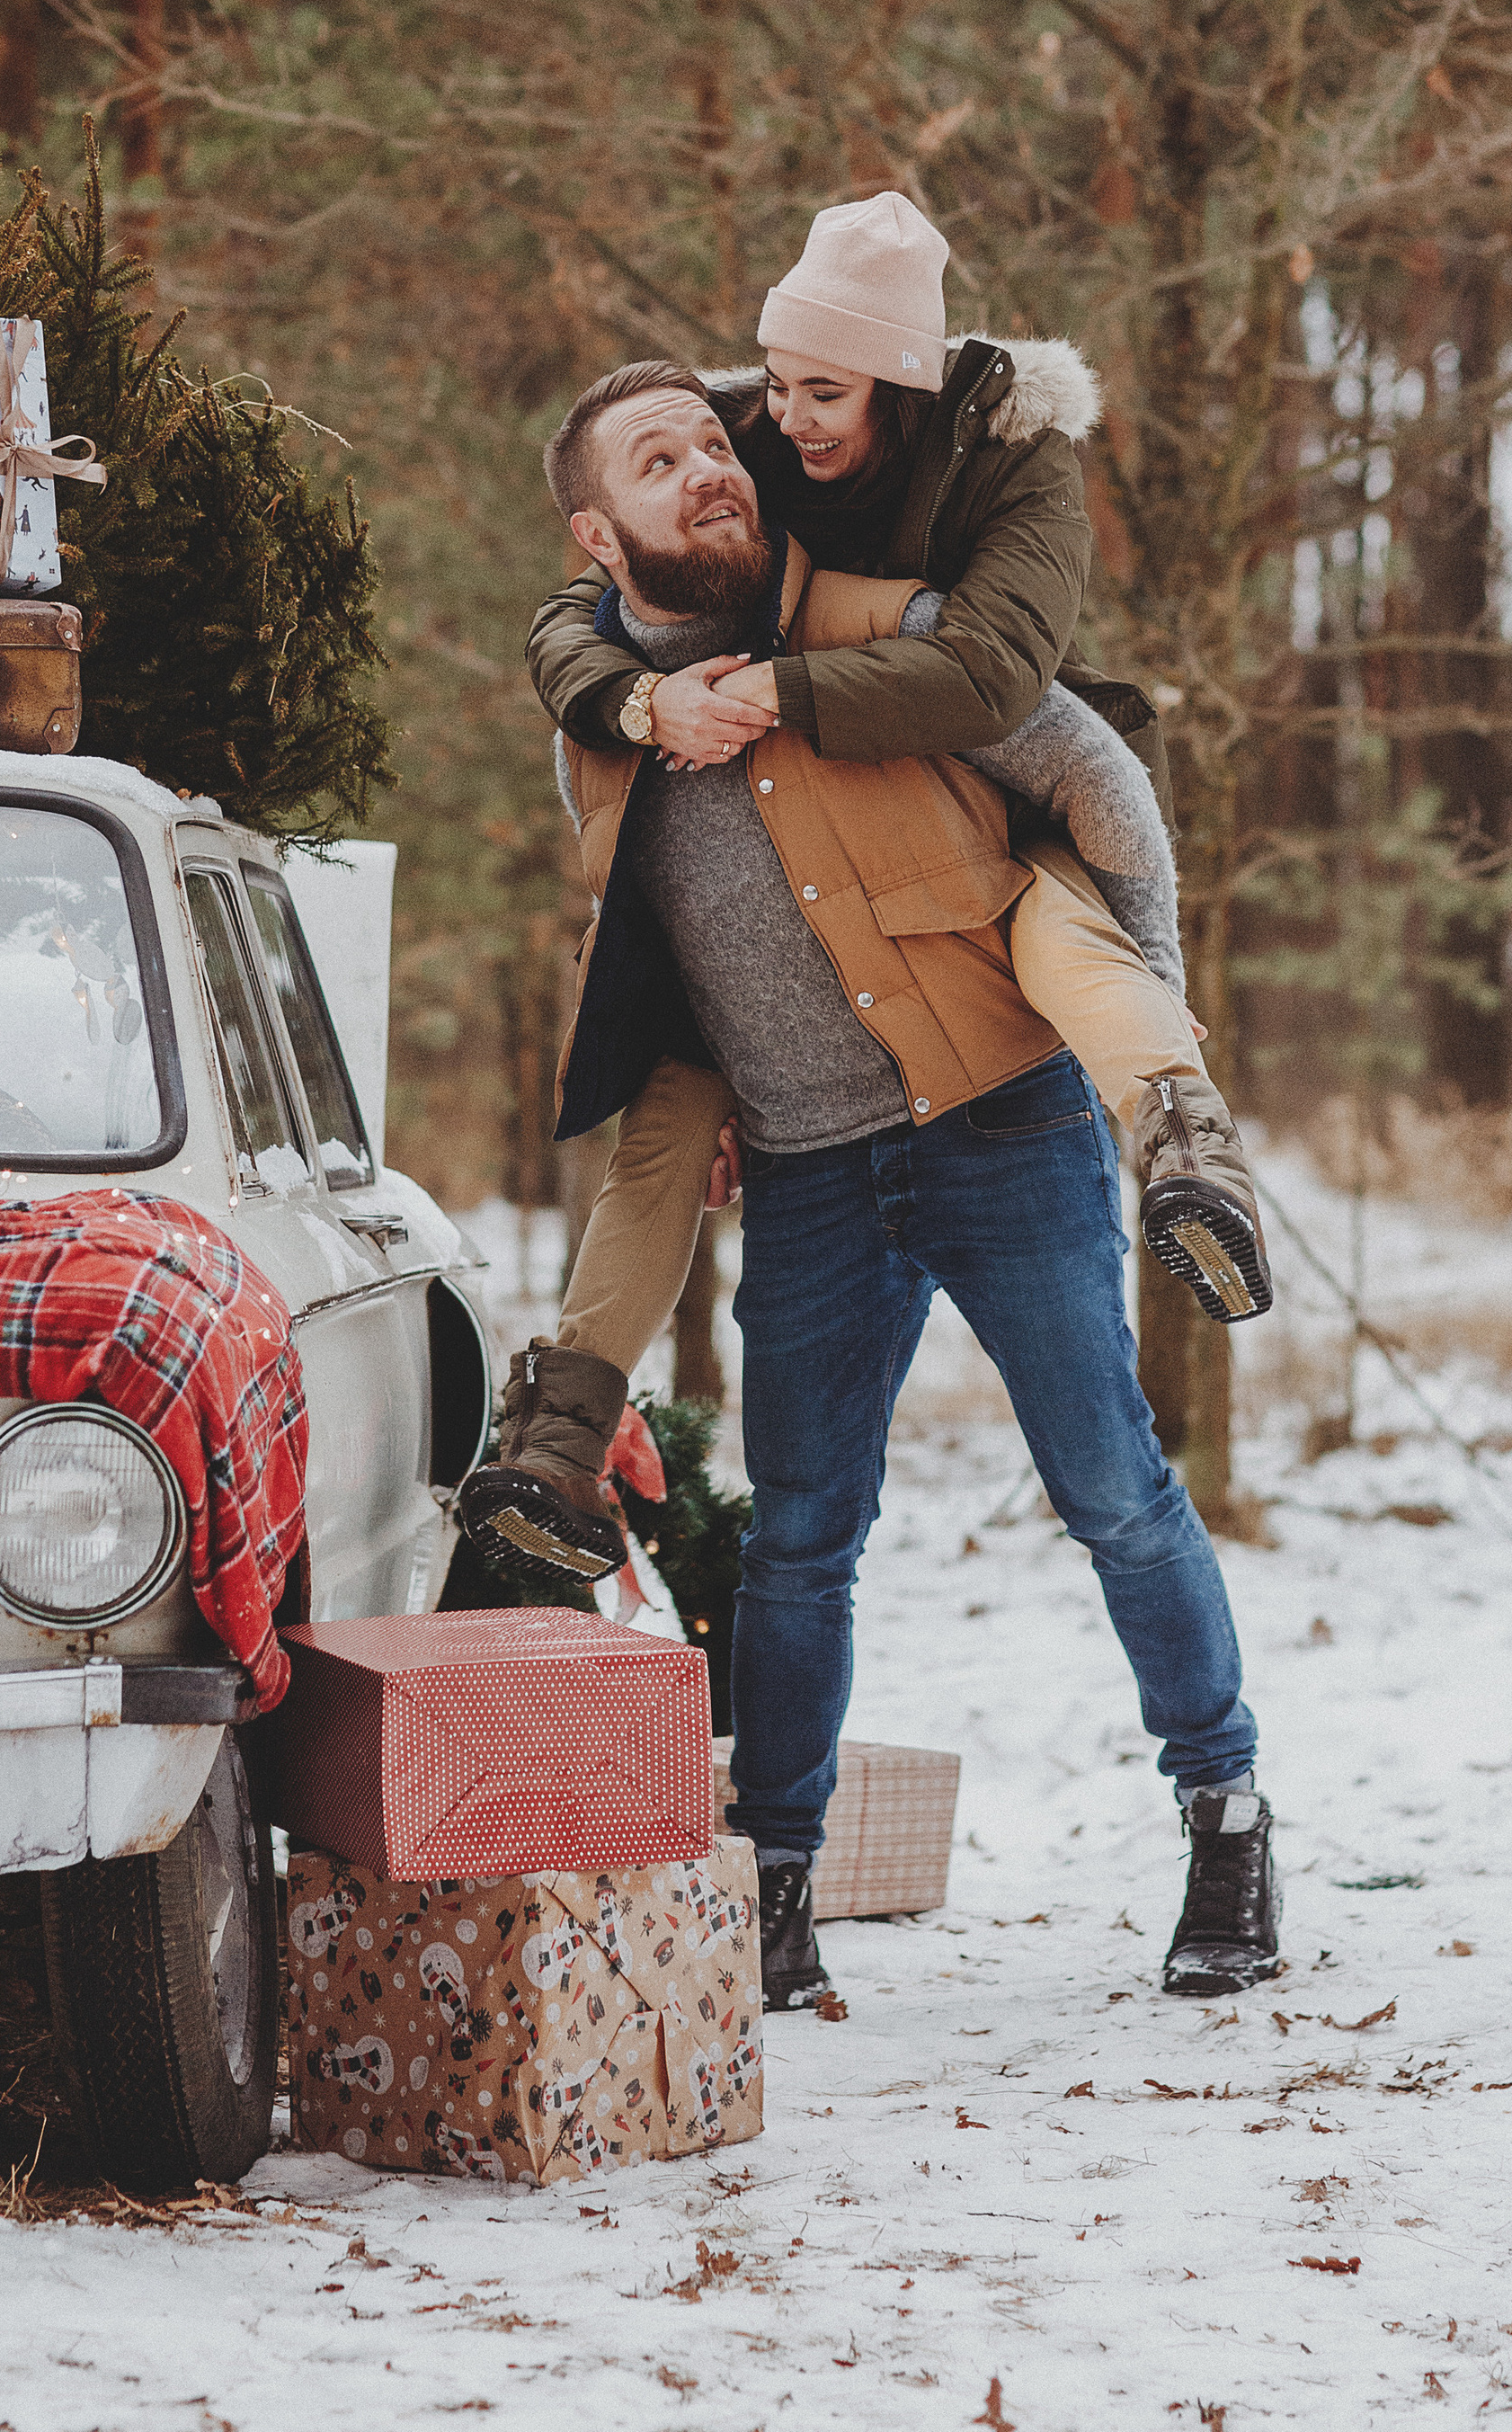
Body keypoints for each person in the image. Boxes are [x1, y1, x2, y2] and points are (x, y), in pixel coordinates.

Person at [483, 352, 1280, 2011]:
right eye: (659, 458)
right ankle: (774, 1884)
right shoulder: (603, 728)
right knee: (799, 1543)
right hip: (809, 1173)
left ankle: (1226, 1813)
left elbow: (1096, 775)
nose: (710, 464)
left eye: (717, 440)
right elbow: (643, 938)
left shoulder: (877, 621)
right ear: (593, 532)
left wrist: (1147, 994)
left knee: (1115, 1494)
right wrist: (692, 1091)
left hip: (1008, 1119)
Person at [461, 193, 1270, 1592]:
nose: (772, 432)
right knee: (656, 1140)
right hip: (780, 992)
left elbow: (1002, 681)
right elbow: (583, 587)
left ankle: (1185, 1143)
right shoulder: (744, 426)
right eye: (760, 400)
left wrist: (773, 685)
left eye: (811, 401)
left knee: (1061, 931)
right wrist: (632, 699)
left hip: (973, 800)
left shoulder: (1012, 462)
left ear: (898, 379)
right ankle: (557, 1438)